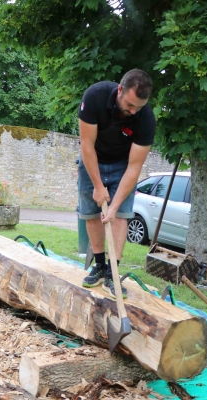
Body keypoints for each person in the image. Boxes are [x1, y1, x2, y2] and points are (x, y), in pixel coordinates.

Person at [77, 69, 156, 298]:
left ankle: (113, 271)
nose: (133, 111)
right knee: (91, 213)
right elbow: (86, 145)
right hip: (93, 158)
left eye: (138, 107)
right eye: (130, 105)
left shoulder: (145, 118)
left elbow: (134, 167)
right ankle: (99, 266)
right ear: (120, 90)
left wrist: (113, 207)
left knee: (121, 214)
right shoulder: (95, 97)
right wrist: (98, 187)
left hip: (123, 164)